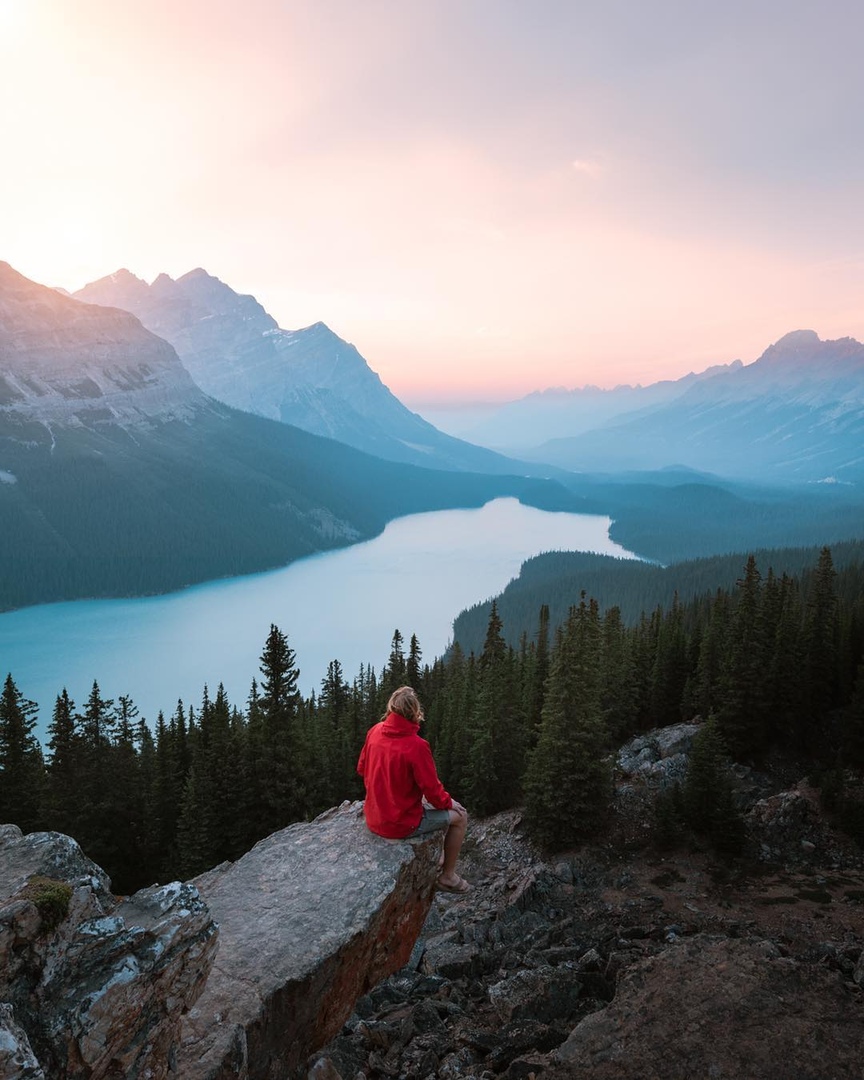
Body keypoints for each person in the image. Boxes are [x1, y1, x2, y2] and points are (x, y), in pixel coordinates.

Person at [357, 685, 471, 893]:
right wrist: (450, 803)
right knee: (460, 817)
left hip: (373, 818)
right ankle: (448, 877)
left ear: (391, 708)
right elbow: (433, 792)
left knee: (436, 810)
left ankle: (438, 856)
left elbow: (362, 768)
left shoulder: (374, 731)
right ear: (415, 713)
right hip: (400, 825)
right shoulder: (416, 745)